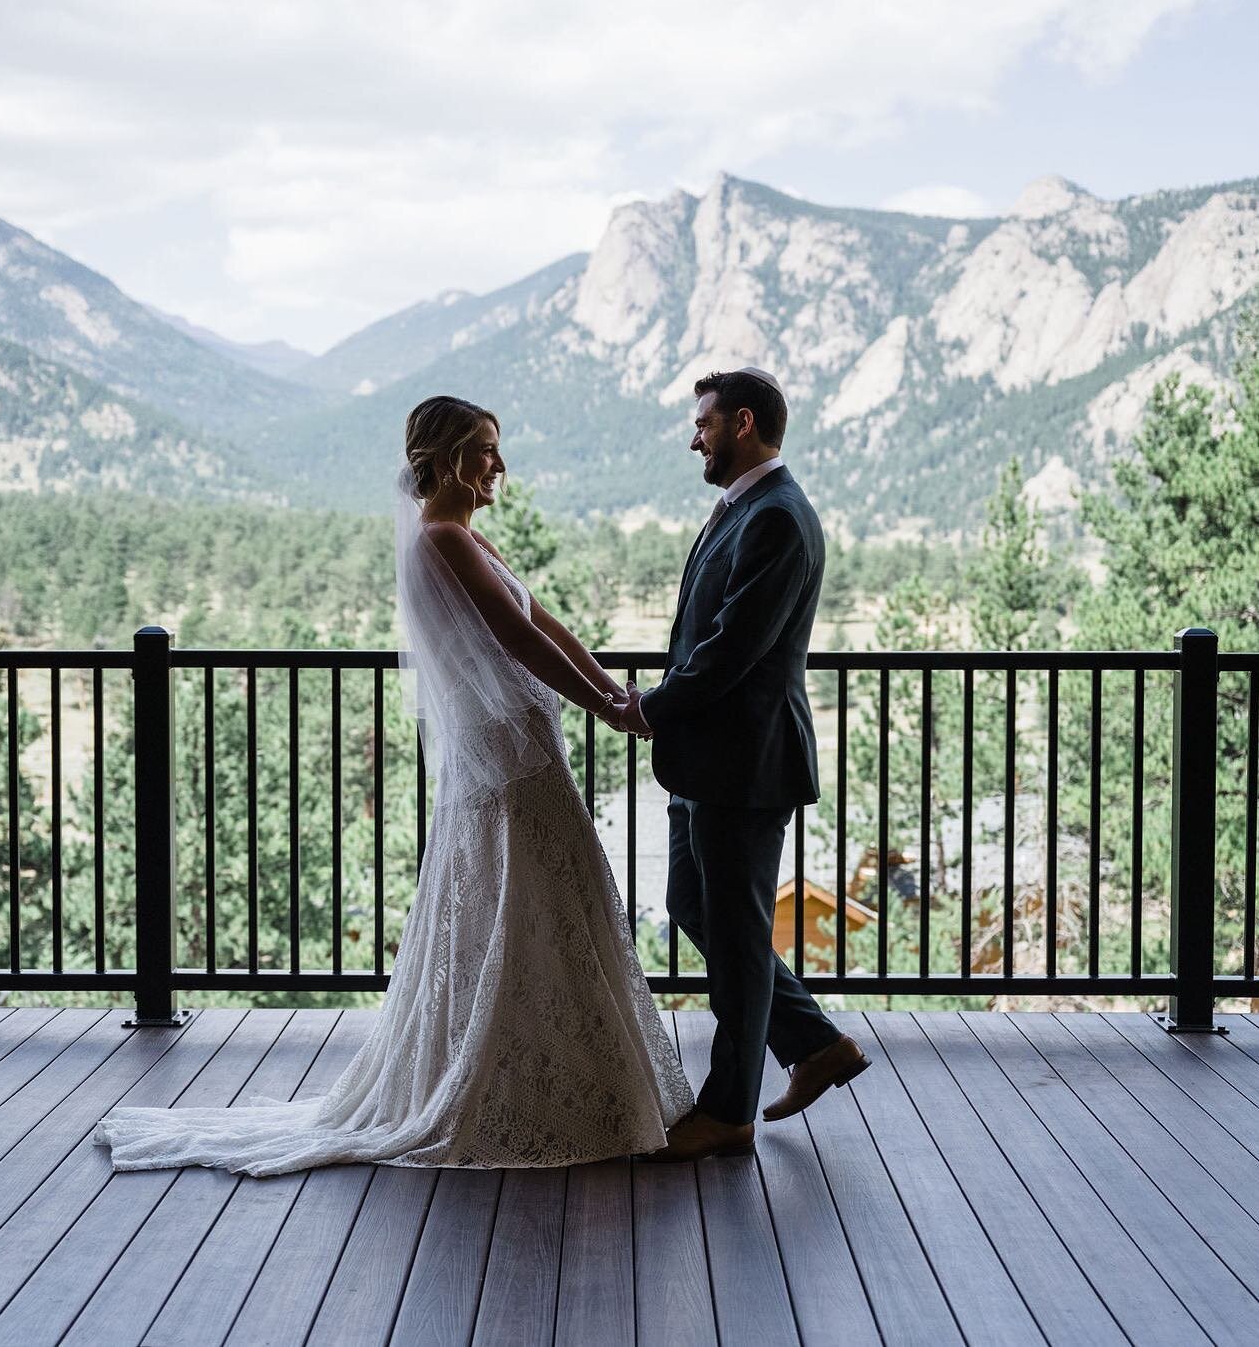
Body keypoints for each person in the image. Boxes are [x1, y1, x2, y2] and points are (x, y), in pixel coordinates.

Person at [92, 396, 692, 1176]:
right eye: (483, 450)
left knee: (540, 905)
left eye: (496, 450)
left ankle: (563, 1081)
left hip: (521, 742)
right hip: (508, 752)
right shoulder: (443, 540)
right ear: (444, 459)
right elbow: (515, 639)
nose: (497, 467)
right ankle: (529, 1089)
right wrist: (608, 711)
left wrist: (616, 695)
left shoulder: (467, 539)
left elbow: (544, 622)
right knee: (524, 904)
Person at [615, 367, 870, 1164]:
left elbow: (729, 650)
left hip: (745, 766)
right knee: (696, 907)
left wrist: (651, 706)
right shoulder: (746, 508)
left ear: (745, 424)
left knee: (735, 930)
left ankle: (728, 1111)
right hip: (706, 764)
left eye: (704, 424)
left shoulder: (780, 519)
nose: (695, 437)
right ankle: (818, 1044)